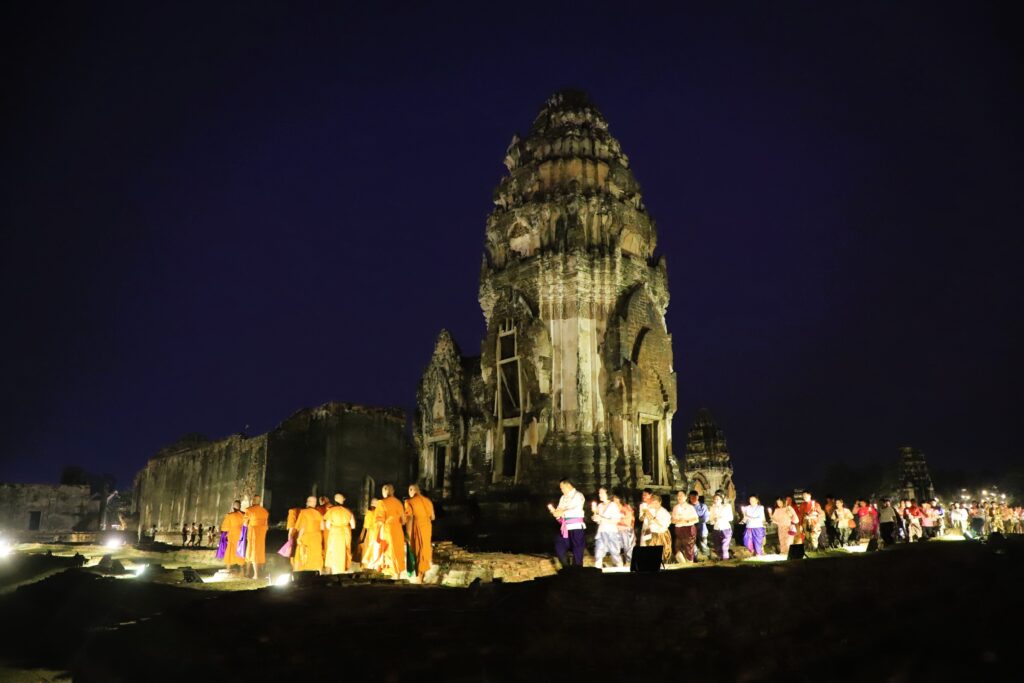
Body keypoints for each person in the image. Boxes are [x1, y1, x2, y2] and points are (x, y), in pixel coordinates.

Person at [548, 479, 587, 568]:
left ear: (569, 486)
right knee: (559, 545)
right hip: (565, 527)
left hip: (576, 526)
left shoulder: (578, 495)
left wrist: (562, 512)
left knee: (577, 549)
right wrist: (556, 513)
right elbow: (559, 509)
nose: (561, 490)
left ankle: (577, 569)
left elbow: (576, 509)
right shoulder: (563, 497)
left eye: (562, 488)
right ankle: (566, 567)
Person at [375, 484, 407, 577]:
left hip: (387, 530)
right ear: (393, 491)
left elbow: (379, 521)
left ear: (385, 491)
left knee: (387, 551)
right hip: (398, 530)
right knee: (397, 552)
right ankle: (397, 575)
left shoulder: (381, 502)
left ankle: (388, 574)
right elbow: (404, 521)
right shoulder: (399, 503)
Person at [404, 484, 435, 579]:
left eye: (410, 489)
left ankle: (419, 579)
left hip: (417, 529)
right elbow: (433, 517)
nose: (409, 492)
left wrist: (407, 534)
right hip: (427, 529)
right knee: (424, 552)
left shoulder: (409, 502)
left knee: (418, 552)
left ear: (413, 490)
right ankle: (422, 577)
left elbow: (409, 518)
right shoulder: (428, 501)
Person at [324, 493, 356, 574]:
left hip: (334, 533)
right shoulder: (348, 511)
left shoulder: (331, 511)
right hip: (345, 533)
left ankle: (333, 570)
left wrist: (335, 527)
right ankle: (344, 568)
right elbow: (353, 526)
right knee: (345, 551)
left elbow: (327, 525)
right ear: (342, 500)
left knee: (333, 551)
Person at [591, 487, 623, 569]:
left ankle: (620, 569)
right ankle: (598, 569)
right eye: (599, 493)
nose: (600, 495)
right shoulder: (600, 506)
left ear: (607, 494)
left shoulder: (613, 505)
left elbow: (616, 520)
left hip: (611, 532)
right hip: (601, 531)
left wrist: (602, 518)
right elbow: (599, 521)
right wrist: (596, 518)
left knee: (614, 552)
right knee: (598, 552)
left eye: (602, 493)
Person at [639, 494, 672, 564]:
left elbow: (662, 524)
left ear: (660, 502)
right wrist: (645, 514)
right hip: (651, 533)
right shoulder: (651, 510)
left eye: (656, 503)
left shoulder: (664, 512)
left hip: (661, 535)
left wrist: (652, 518)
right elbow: (643, 519)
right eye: (653, 503)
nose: (654, 504)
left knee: (660, 553)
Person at [294, 496, 325, 572]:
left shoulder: (304, 512)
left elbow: (302, 527)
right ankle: (318, 572)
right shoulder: (319, 513)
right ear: (315, 503)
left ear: (307, 502)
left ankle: (301, 572)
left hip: (307, 536)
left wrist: (299, 538)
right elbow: (322, 527)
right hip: (317, 538)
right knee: (316, 555)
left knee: (303, 554)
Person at [243, 495, 270, 579]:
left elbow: (245, 523)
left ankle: (255, 574)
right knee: (258, 552)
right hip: (261, 534)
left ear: (254, 501)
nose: (252, 501)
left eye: (253, 500)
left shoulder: (249, 510)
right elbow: (266, 526)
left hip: (253, 533)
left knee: (252, 552)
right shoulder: (265, 511)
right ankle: (250, 572)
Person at [671, 490, 699, 563]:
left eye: (681, 495)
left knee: (688, 549)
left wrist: (686, 521)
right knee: (677, 548)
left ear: (686, 497)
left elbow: (696, 519)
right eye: (678, 495)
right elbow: (672, 520)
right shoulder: (675, 507)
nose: (679, 497)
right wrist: (676, 521)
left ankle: (690, 565)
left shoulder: (690, 507)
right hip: (678, 529)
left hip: (688, 529)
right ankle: (683, 564)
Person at [220, 500, 245, 572]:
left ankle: (228, 569)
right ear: (240, 506)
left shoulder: (230, 515)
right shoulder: (244, 515)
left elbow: (224, 528)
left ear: (233, 507)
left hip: (232, 537)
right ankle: (242, 571)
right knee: (241, 552)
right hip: (241, 537)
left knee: (229, 552)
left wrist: (224, 534)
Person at [359, 497, 383, 569]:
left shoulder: (369, 513)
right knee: (377, 550)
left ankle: (368, 566)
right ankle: (376, 566)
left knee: (369, 550)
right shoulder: (380, 513)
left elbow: (366, 526)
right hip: (379, 533)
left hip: (371, 534)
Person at [708, 493, 734, 560]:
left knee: (724, 547)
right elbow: (711, 520)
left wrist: (721, 518)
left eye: (718, 499)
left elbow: (730, 518)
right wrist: (713, 520)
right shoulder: (712, 508)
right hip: (716, 529)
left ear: (721, 500)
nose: (716, 500)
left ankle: (725, 560)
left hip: (725, 528)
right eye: (715, 499)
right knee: (717, 547)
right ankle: (720, 560)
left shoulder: (727, 506)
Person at [612, 494, 636, 566]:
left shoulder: (626, 507)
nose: (614, 500)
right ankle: (618, 562)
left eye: (616, 498)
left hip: (625, 530)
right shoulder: (613, 508)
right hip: (616, 530)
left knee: (627, 546)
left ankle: (629, 562)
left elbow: (629, 520)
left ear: (620, 499)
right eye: (614, 498)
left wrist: (619, 522)